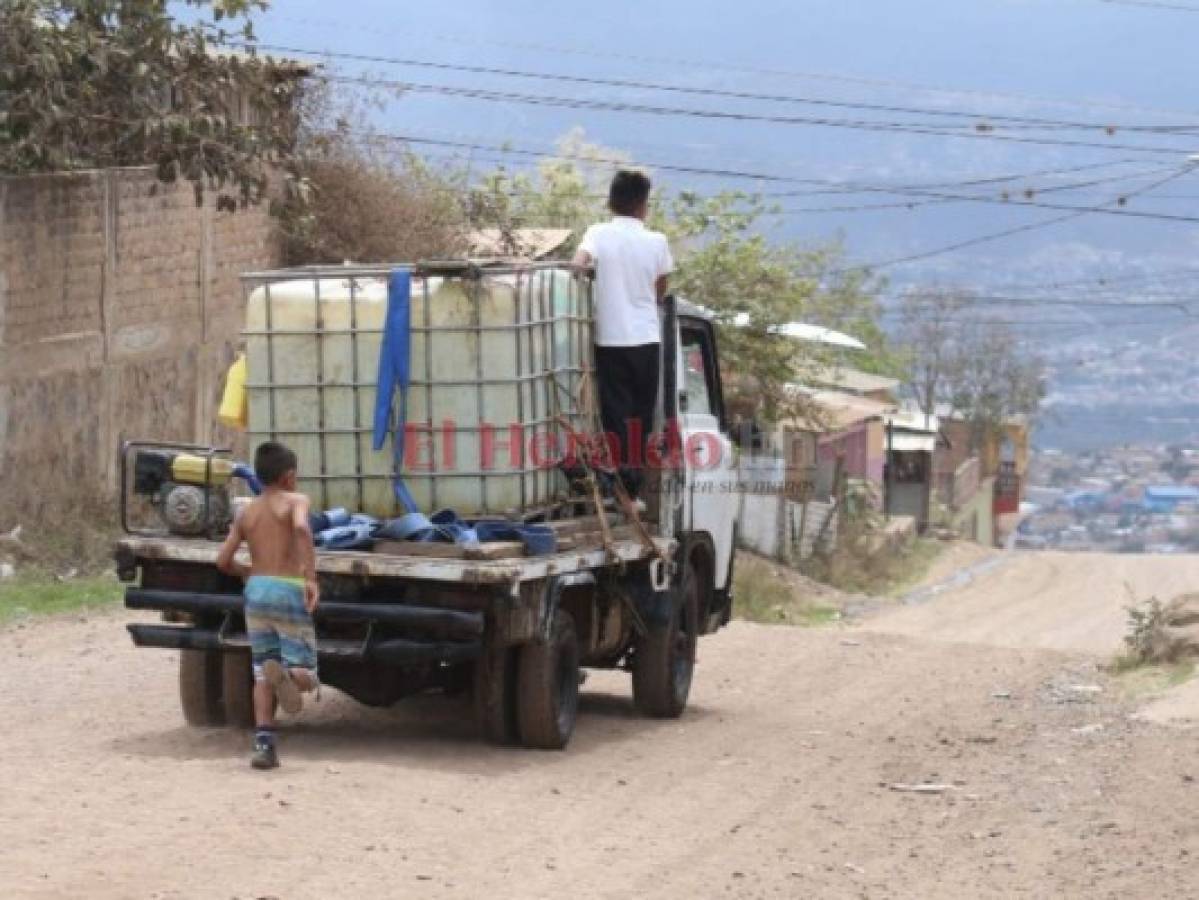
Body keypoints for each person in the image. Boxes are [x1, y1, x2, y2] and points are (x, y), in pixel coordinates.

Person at [216, 441, 320, 770]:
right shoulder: (295, 501)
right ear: (289, 477)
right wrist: (311, 577)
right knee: (308, 674)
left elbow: (222, 560)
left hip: (256, 591)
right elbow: (302, 528)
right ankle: (290, 675)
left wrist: (247, 572)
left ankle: (264, 745)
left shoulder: (246, 512)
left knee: (261, 672)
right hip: (287, 589)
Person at [573, 170, 674, 499]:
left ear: (612, 202)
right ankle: (631, 485)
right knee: (641, 415)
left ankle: (617, 483)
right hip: (646, 339)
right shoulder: (657, 241)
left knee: (615, 413)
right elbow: (660, 289)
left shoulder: (598, 233)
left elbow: (578, 264)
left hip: (610, 339)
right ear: (643, 205)